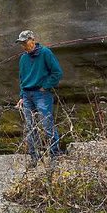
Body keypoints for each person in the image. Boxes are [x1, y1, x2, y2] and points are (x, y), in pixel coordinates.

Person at [15, 30, 63, 167]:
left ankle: (55, 155)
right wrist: (21, 96)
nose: (24, 46)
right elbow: (22, 79)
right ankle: (34, 157)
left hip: (41, 94)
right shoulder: (23, 58)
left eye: (25, 42)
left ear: (33, 40)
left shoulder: (45, 53)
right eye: (21, 43)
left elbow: (57, 73)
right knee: (30, 127)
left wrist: (45, 86)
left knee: (47, 124)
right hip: (27, 95)